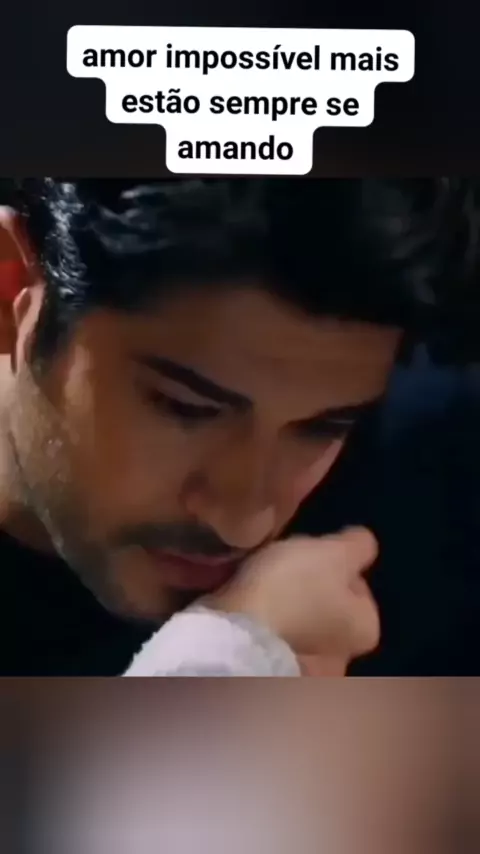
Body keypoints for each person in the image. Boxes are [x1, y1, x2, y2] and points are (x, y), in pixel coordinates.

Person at [0, 177, 465, 676]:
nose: (245, 524)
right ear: (11, 290)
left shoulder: (432, 499)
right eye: (187, 409)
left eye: (324, 427)